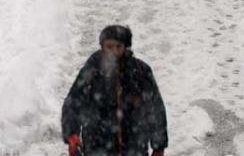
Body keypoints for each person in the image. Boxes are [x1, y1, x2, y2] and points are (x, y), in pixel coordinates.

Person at [62, 25, 168, 156]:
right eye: (109, 47)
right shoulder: (91, 71)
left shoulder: (141, 71)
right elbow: (73, 102)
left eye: (119, 46)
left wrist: (159, 146)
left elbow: (155, 109)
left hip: (134, 145)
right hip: (97, 144)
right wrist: (72, 134)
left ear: (125, 46)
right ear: (102, 46)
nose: (115, 51)